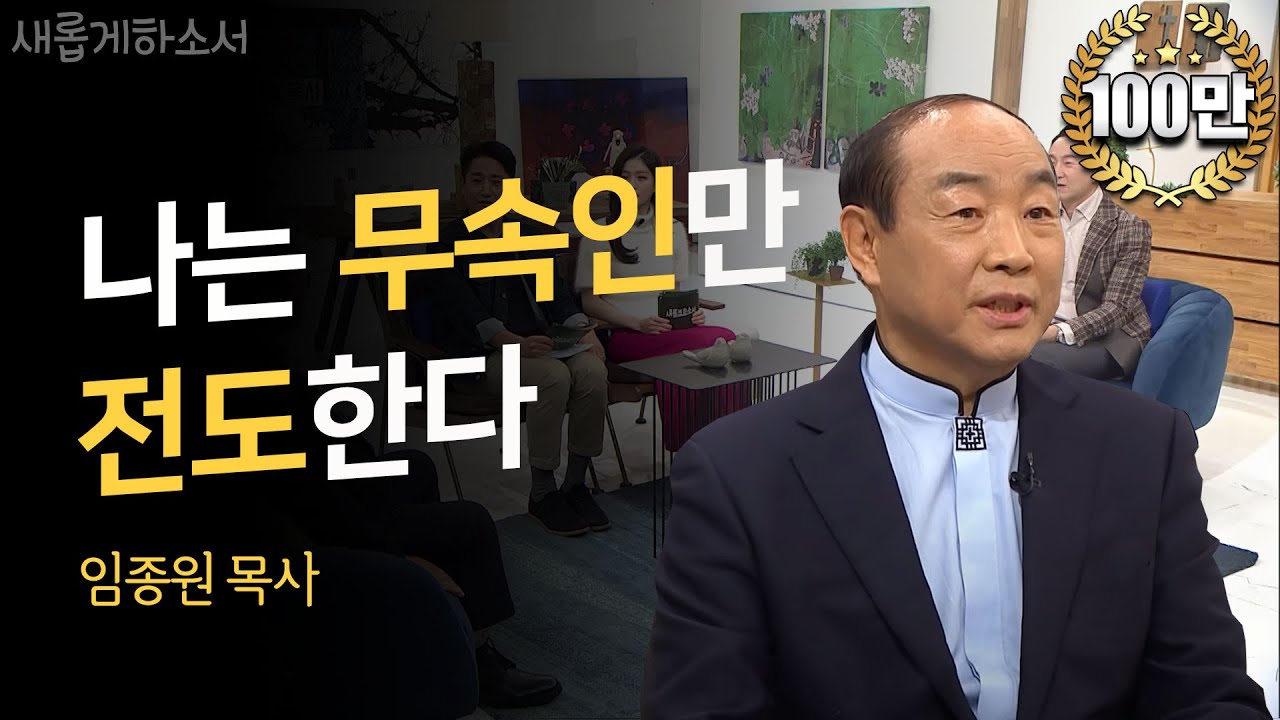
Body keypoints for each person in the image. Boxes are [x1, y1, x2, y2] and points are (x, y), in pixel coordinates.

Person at [641, 94, 1268, 719]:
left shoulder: (1145, 446)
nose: (1015, 252)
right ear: (865, 243)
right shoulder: (739, 476)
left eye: (1039, 211)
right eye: (966, 211)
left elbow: (1207, 690)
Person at [412, 140, 611, 538]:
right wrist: (512, 342)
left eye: (496, 182)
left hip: (542, 345)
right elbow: (465, 312)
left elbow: (557, 297)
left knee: (592, 370)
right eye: (477, 180)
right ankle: (542, 493)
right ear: (462, 183)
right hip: (482, 356)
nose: (487, 191)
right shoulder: (447, 243)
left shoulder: (526, 233)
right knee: (552, 376)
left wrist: (584, 329)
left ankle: (575, 484)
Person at [574, 144, 742, 452]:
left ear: (656, 185)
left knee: (722, 343)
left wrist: (690, 313)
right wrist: (637, 323)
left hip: (667, 331)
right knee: (714, 343)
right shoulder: (599, 232)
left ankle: (722, 443)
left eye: (641, 177)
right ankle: (699, 449)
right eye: (625, 177)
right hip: (624, 334)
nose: (632, 185)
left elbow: (674, 293)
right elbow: (590, 302)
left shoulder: (673, 230)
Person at [1030, 127, 1152, 380]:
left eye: (1069, 163)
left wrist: (1057, 332)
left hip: (1106, 339)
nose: (1057, 172)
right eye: (1052, 162)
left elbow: (1118, 308)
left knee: (1031, 361)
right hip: (1043, 325)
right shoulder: (1036, 217)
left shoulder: (1128, 227)